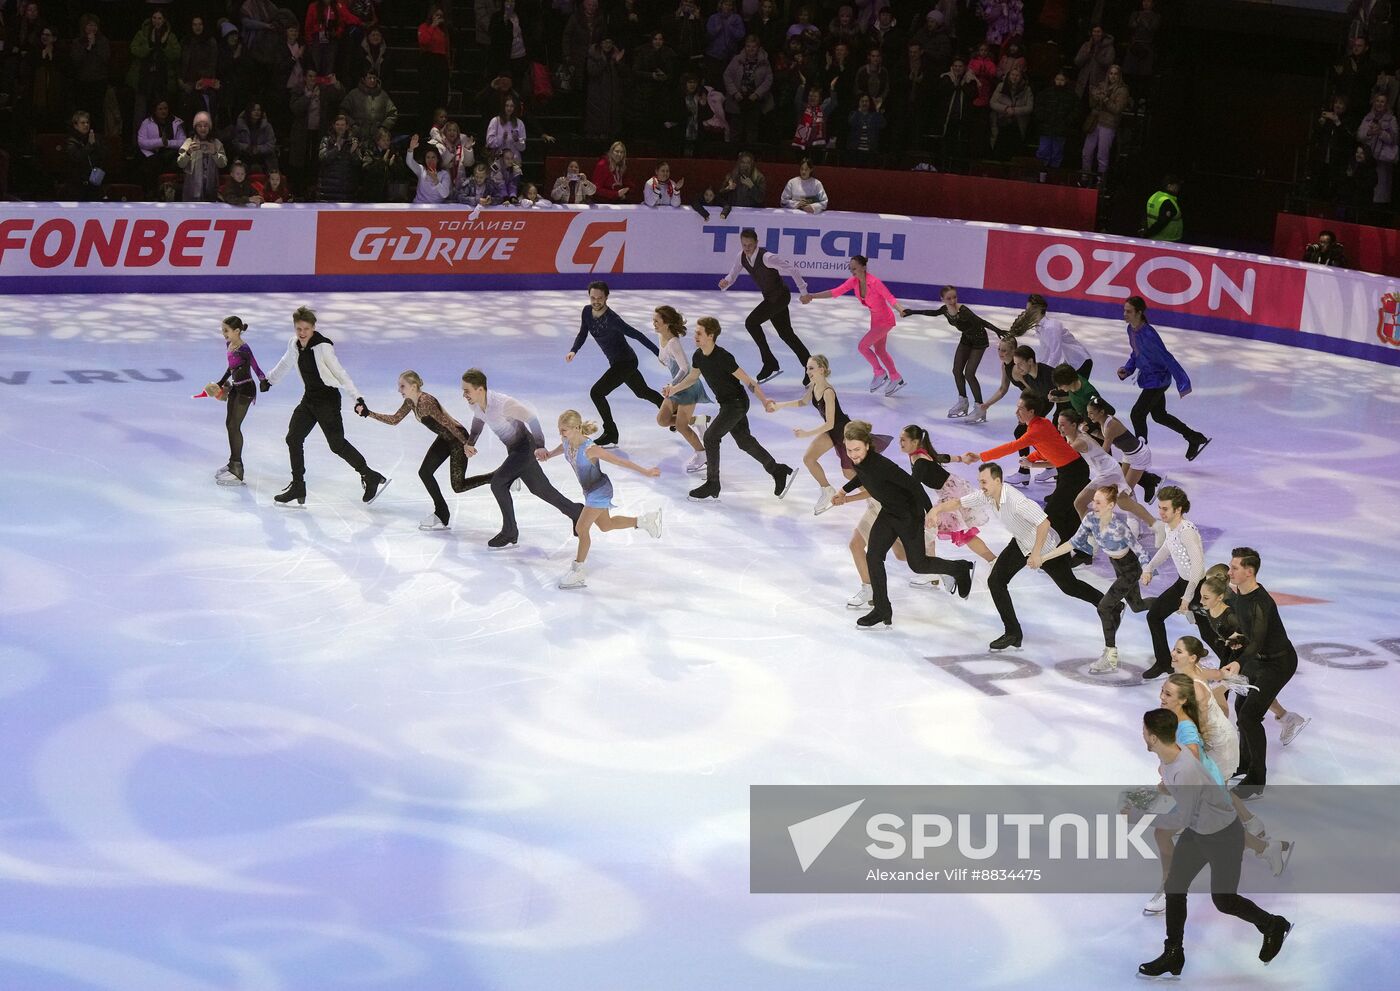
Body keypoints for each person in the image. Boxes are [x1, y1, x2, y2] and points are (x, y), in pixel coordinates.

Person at [1134, 708, 1292, 979]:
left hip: (1223, 836)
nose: (1143, 735)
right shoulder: (1170, 757)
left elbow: (1183, 816)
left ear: (1153, 738)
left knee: (1224, 900)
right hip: (1200, 832)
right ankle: (1174, 953)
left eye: (1145, 732)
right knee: (1175, 887)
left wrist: (1139, 815)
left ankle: (1273, 925)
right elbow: (1174, 791)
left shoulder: (1184, 771)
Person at [929, 462, 1101, 650]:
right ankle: (1013, 633)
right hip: (1020, 542)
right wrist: (936, 510)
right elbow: (959, 502)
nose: (981, 486)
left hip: (1045, 547)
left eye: (984, 482)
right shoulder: (988, 494)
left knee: (1069, 586)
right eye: (980, 482)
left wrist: (1036, 555)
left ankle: (1109, 605)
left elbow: (1043, 523)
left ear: (997, 481)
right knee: (996, 581)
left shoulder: (1015, 500)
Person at [831, 420, 973, 628]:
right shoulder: (859, 461)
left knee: (918, 564)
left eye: (857, 449)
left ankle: (960, 568)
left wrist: (929, 512)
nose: (853, 454)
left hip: (909, 514)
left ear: (868, 445)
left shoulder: (882, 465)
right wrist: (843, 490)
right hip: (889, 511)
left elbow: (915, 487)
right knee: (873, 556)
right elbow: (863, 476)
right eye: (849, 449)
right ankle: (881, 609)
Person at [265, 306, 389, 507]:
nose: (302, 333)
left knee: (337, 445)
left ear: (313, 328)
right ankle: (298, 485)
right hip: (309, 400)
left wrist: (358, 398)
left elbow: (341, 374)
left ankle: (370, 475)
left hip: (328, 401)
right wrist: (270, 380)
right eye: (298, 329)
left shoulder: (323, 347)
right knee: (293, 438)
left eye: (306, 329)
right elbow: (285, 363)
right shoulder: (294, 344)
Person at [663, 316, 796, 502]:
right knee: (744, 442)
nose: (695, 336)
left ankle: (713, 483)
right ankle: (777, 469)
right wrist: (673, 388)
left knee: (710, 436)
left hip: (737, 403)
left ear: (710, 335)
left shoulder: (723, 357)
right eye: (695, 333)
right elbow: (692, 378)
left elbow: (747, 380)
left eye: (699, 333)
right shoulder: (699, 356)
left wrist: (765, 401)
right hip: (726, 404)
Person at [538, 410, 664, 589]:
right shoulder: (567, 441)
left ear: (576, 428)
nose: (561, 433)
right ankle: (646, 521)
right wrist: (549, 455)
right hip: (589, 491)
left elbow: (621, 462)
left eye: (564, 430)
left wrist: (646, 472)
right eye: (559, 429)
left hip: (600, 490)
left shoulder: (591, 449)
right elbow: (563, 447)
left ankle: (578, 572)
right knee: (606, 525)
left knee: (581, 528)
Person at [355, 371, 494, 531]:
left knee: (459, 486)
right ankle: (442, 513)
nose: (399, 390)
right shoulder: (410, 402)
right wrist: (368, 413)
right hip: (445, 439)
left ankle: (497, 477)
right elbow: (394, 420)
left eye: (402, 386)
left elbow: (448, 423)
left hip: (457, 439)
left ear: (413, 387)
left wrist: (466, 444)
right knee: (425, 472)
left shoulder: (426, 401)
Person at [460, 368, 583, 548]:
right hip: (514, 450)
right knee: (540, 489)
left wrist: (540, 445)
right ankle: (576, 511)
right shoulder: (475, 404)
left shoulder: (503, 404)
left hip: (525, 449)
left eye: (467, 390)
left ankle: (510, 531)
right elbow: (479, 419)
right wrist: (471, 442)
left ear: (480, 389)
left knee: (498, 483)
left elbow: (532, 419)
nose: (464, 395)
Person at [1036, 484, 1149, 673]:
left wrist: (1146, 570)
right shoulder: (1090, 519)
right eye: (1094, 501)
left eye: (1098, 502)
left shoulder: (1119, 527)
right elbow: (1073, 543)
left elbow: (1139, 550)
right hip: (1118, 567)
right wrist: (1043, 557)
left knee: (1104, 607)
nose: (1093, 505)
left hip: (1131, 569)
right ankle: (1173, 604)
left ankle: (1110, 656)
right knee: (1138, 606)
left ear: (1111, 505)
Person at [960, 390, 1088, 549]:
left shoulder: (1036, 429)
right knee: (1067, 510)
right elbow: (1049, 448)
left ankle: (1064, 549)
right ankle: (1072, 548)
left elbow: (1011, 447)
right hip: (1068, 470)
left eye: (1020, 409)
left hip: (1074, 472)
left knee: (1055, 512)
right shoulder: (1042, 423)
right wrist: (1032, 459)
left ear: (1031, 411)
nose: (1016, 412)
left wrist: (981, 456)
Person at [1195, 576, 1311, 747]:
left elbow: (1251, 637)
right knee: (1249, 694)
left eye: (1206, 597)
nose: (1201, 600)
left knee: (1229, 693)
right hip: (1233, 656)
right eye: (1201, 596)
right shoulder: (1209, 609)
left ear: (1219, 597)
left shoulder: (1231, 615)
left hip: (1246, 658)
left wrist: (1237, 644)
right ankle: (1286, 718)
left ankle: (1222, 738)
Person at [1226, 548, 1301, 800]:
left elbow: (1257, 641)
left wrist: (1238, 662)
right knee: (1241, 707)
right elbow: (1250, 634)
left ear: (1249, 571)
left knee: (1249, 716)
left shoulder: (1261, 602)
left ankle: (1256, 780)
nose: (1230, 571)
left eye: (1235, 567)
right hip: (1258, 659)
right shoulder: (1240, 593)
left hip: (1279, 663)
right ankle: (1244, 764)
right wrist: (1238, 638)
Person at [763, 354, 872, 515]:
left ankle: (874, 495)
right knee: (809, 458)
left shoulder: (828, 392)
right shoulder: (813, 386)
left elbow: (831, 423)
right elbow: (803, 402)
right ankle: (827, 489)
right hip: (831, 432)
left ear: (822, 370)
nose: (808, 371)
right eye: (807, 368)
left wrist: (806, 433)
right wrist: (779, 405)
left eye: (811, 368)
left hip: (843, 433)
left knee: (849, 473)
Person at [567, 281, 665, 448]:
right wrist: (574, 350)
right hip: (618, 362)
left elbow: (637, 335)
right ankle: (671, 411)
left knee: (596, 393)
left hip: (626, 362)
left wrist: (659, 353)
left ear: (606, 297)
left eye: (599, 298)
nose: (596, 301)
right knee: (642, 392)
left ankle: (611, 432)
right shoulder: (586, 312)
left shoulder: (613, 319)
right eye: (592, 297)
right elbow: (583, 333)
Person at [1119, 296, 1211, 461]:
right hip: (1148, 379)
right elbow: (1136, 353)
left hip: (1158, 381)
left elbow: (1167, 358)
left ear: (1139, 313)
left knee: (1137, 414)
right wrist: (1128, 369)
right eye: (1124, 310)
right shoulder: (1131, 330)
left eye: (1129, 311)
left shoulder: (1149, 334)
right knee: (1159, 415)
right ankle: (1193, 437)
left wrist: (1183, 382)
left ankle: (1141, 454)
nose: (1124, 314)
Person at [800, 255, 906, 396]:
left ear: (863, 267)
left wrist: (900, 310)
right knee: (880, 351)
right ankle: (895, 377)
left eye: (854, 268)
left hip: (885, 320)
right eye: (850, 269)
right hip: (875, 320)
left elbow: (890, 298)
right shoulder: (854, 281)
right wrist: (812, 296)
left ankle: (879, 373)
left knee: (863, 346)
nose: (852, 271)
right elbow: (836, 292)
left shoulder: (874, 282)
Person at [719, 227, 813, 384]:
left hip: (780, 297)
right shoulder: (741, 256)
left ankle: (769, 362)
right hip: (771, 298)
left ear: (756, 242)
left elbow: (792, 269)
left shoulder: (767, 257)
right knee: (786, 334)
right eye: (744, 245)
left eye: (750, 245)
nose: (747, 248)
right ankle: (810, 367)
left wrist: (803, 292)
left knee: (751, 323)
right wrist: (726, 282)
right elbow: (732, 274)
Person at [904, 286, 1006, 419]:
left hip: (979, 339)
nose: (952, 301)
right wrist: (912, 312)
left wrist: (997, 330)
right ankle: (963, 402)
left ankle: (980, 408)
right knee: (956, 371)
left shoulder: (963, 311)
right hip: (966, 338)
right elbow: (932, 312)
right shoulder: (945, 310)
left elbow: (981, 322)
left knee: (969, 374)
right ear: (942, 299)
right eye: (949, 298)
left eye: (954, 297)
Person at [901, 424, 995, 565]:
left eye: (903, 440)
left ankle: (931, 572)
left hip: (952, 493)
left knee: (933, 527)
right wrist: (960, 458)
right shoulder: (919, 453)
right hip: (953, 488)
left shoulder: (919, 460)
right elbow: (940, 457)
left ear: (914, 442)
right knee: (935, 529)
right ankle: (993, 561)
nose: (900, 443)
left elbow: (913, 485)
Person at [1140, 485, 1205, 679]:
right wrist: (1149, 567)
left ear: (1178, 510)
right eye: (1160, 508)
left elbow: (1198, 567)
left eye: (1165, 508)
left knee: (1210, 630)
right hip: (1182, 583)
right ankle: (1163, 663)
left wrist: (1188, 596)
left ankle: (1234, 663)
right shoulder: (1170, 527)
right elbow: (1167, 549)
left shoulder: (1187, 531)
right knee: (1154, 616)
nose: (1161, 512)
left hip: (1199, 586)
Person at [1056, 410, 1157, 531]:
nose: (1059, 428)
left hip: (1109, 472)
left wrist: (1031, 463)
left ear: (1073, 425)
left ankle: (1095, 534)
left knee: (1080, 502)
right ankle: (1155, 524)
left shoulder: (1079, 442)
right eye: (1058, 424)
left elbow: (1058, 459)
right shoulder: (1071, 436)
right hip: (1109, 469)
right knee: (1123, 500)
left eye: (1062, 424)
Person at [209, 316, 270, 486]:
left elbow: (255, 365)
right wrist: (221, 383)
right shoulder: (229, 345)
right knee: (230, 424)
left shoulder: (245, 348)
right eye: (222, 331)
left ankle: (238, 470)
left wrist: (263, 380)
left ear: (237, 331)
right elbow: (231, 367)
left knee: (235, 425)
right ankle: (232, 463)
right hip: (236, 387)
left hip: (246, 390)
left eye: (226, 331)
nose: (223, 334)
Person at [653, 305, 711, 474]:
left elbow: (685, 368)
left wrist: (673, 386)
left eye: (657, 321)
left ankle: (702, 454)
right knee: (663, 420)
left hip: (688, 386)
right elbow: (667, 360)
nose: (654, 324)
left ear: (667, 323)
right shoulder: (661, 337)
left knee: (681, 426)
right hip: (677, 386)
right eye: (654, 320)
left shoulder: (673, 343)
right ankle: (699, 421)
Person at [1084, 395, 1162, 505]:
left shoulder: (1111, 425)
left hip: (1139, 455)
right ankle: (1135, 504)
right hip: (1129, 454)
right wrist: (1092, 432)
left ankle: (1135, 514)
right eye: (1088, 412)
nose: (1088, 416)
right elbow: (1108, 437)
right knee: (1120, 484)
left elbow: (1104, 450)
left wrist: (1089, 459)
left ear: (1101, 412)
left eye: (1091, 413)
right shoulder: (1105, 421)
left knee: (1124, 491)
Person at [1006, 294, 1092, 376]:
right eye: (1027, 309)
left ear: (1039, 309)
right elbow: (1045, 350)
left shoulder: (1050, 327)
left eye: (1029, 309)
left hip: (1080, 360)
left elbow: (1055, 353)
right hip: (1071, 362)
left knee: (1075, 390)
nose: (1027, 312)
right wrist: (1039, 369)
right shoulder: (1040, 327)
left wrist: (1047, 372)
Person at [176, 110, 227, 202]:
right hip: (192, 188)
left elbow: (223, 164)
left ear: (210, 127)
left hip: (211, 186)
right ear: (195, 127)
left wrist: (214, 153)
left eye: (206, 125)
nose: (203, 128)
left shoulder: (216, 143)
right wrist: (188, 152)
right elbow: (180, 164)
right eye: (199, 126)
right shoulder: (189, 142)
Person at [137, 99, 186, 191]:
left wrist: (168, 143)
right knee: (151, 165)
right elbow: (141, 142)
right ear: (155, 110)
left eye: (165, 108)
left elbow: (183, 141)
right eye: (160, 109)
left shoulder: (176, 122)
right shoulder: (147, 123)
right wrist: (160, 142)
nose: (163, 111)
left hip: (171, 155)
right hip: (152, 155)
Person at [405, 133, 453, 202]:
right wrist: (411, 148)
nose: (431, 160)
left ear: (438, 159)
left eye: (433, 157)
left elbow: (445, 194)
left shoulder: (444, 174)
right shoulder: (421, 170)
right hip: (419, 206)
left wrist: (436, 180)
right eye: (428, 157)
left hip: (436, 208)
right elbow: (409, 162)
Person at [1143, 174, 1183, 241]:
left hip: (1152, 239)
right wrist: (1147, 234)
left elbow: (1145, 215)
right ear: (1169, 186)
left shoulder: (1155, 196)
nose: (1178, 187)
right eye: (1176, 185)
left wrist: (1144, 231)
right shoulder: (1168, 202)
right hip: (1167, 241)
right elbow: (1161, 223)